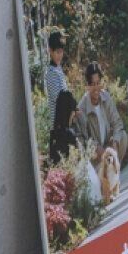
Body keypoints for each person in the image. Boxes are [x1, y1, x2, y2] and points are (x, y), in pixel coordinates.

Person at [77, 61, 128, 165]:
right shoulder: (82, 108)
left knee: (122, 136)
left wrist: (115, 142)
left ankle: (114, 170)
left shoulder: (106, 97)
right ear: (87, 86)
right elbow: (83, 139)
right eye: (92, 84)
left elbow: (117, 123)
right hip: (95, 153)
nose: (96, 88)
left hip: (108, 146)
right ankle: (102, 174)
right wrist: (97, 148)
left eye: (98, 83)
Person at [44, 29, 78, 162]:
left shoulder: (58, 69)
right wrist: (72, 105)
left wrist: (74, 108)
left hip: (65, 124)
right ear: (50, 51)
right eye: (56, 52)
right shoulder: (51, 73)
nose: (59, 55)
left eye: (61, 52)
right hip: (58, 126)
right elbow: (60, 99)